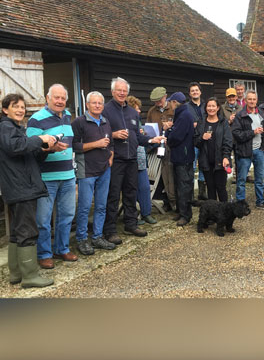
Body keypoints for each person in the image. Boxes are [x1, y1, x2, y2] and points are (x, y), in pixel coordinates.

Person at [0, 93, 55, 288]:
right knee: (27, 231)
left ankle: (16, 274)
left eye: (23, 107)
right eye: (15, 106)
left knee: (17, 231)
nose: (20, 110)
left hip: (20, 186)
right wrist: (40, 138)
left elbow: (24, 155)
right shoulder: (5, 127)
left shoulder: (15, 129)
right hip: (21, 187)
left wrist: (45, 149)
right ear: (5, 109)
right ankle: (30, 276)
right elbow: (16, 148)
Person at [102, 77, 164, 243]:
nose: (122, 93)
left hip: (132, 159)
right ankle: (110, 229)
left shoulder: (131, 112)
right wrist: (113, 135)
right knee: (113, 195)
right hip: (115, 160)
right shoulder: (106, 110)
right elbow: (99, 133)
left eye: (124, 91)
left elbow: (137, 136)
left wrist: (152, 140)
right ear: (113, 92)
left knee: (130, 193)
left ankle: (131, 223)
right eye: (119, 90)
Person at [27, 84, 78, 269]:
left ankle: (62, 249)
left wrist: (74, 174)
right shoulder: (36, 120)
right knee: (43, 219)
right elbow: (30, 150)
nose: (60, 101)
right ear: (47, 98)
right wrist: (49, 148)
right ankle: (44, 254)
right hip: (46, 178)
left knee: (66, 215)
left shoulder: (67, 116)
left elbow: (71, 147)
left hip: (68, 175)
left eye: (63, 98)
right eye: (56, 97)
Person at [71, 91, 116, 256]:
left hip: (104, 169)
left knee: (101, 206)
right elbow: (74, 145)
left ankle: (97, 236)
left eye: (100, 103)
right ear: (87, 105)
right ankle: (82, 239)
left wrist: (111, 155)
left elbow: (110, 143)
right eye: (94, 103)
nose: (97, 105)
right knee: (84, 207)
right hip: (87, 170)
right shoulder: (79, 122)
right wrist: (95, 144)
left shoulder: (105, 121)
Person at [232, 90, 264, 211]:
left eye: (254, 99)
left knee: (259, 179)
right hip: (244, 151)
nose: (252, 101)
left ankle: (260, 201)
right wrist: (253, 132)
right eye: (249, 99)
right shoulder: (240, 115)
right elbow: (236, 134)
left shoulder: (261, 113)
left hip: (259, 150)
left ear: (256, 100)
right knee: (242, 179)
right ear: (245, 99)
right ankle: (240, 203)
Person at [194, 98, 233, 202]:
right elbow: (196, 142)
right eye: (209, 106)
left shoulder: (223, 122)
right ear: (206, 108)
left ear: (218, 108)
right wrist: (202, 138)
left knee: (221, 188)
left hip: (220, 161)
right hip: (206, 161)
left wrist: (226, 156)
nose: (211, 108)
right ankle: (213, 214)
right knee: (210, 189)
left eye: (213, 106)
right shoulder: (201, 123)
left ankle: (224, 213)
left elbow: (228, 141)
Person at [127, 95, 158, 226]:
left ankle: (146, 213)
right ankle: (133, 216)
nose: (139, 111)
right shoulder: (126, 122)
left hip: (141, 159)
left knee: (144, 188)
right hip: (130, 160)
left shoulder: (138, 122)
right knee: (131, 190)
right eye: (136, 108)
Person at [167, 92, 196, 226]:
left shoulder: (184, 116)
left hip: (183, 156)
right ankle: (181, 211)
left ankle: (185, 215)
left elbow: (176, 137)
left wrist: (168, 134)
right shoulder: (182, 114)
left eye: (170, 102)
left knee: (184, 186)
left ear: (174, 102)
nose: (169, 105)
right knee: (180, 185)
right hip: (180, 156)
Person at [147, 86, 176, 212]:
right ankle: (166, 201)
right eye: (155, 101)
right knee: (161, 177)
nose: (157, 103)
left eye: (159, 100)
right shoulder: (151, 111)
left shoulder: (174, 108)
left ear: (165, 97)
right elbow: (149, 126)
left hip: (171, 146)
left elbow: (181, 125)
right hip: (157, 147)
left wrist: (172, 125)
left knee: (171, 175)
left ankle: (174, 202)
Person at [186, 82, 207, 202]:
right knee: (192, 167)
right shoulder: (186, 107)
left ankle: (202, 193)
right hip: (192, 141)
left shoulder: (206, 105)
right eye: (192, 90)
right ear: (189, 93)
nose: (195, 92)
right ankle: (191, 195)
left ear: (200, 92)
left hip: (204, 140)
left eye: (196, 90)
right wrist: (191, 125)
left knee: (203, 166)